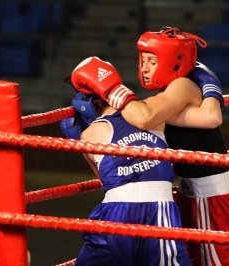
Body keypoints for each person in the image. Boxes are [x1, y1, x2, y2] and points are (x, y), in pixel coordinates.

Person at [68, 27, 229, 266]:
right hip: (182, 199)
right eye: (143, 60)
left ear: (172, 63)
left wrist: (111, 89)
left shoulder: (181, 86)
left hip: (210, 204)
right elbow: (154, 115)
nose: (143, 68)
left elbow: (145, 117)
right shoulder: (163, 100)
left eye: (152, 61)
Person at [60, 91, 193, 266]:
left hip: (117, 212)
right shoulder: (152, 112)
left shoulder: (89, 134)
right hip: (161, 210)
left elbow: (104, 183)